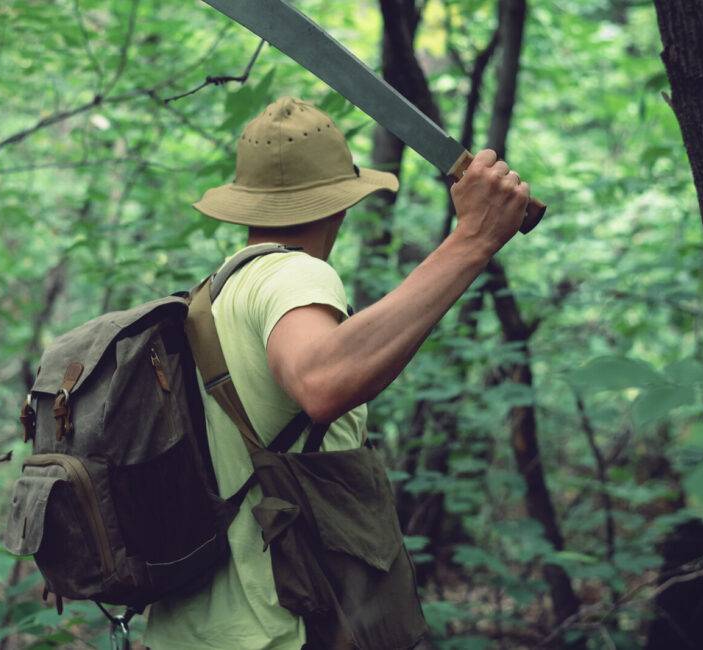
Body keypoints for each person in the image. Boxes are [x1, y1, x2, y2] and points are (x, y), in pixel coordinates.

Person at [143, 96, 530, 649]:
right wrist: (473, 239)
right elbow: (321, 383)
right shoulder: (294, 275)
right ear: (341, 205)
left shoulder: (213, 298)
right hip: (279, 630)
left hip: (192, 631)